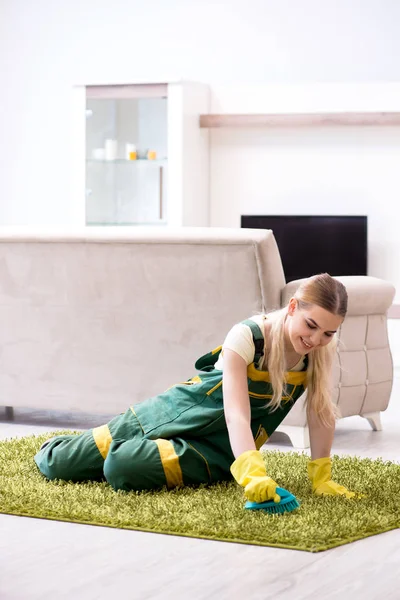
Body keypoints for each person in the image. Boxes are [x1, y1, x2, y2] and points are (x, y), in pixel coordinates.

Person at [34, 273, 355, 504]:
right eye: (311, 326)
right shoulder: (248, 336)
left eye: (328, 333)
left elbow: (321, 411)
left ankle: (112, 460)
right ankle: (64, 445)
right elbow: (237, 416)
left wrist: (321, 475)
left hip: (217, 449)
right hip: (172, 413)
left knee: (121, 467)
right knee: (57, 464)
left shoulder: (318, 353)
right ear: (294, 307)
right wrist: (253, 471)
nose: (315, 340)